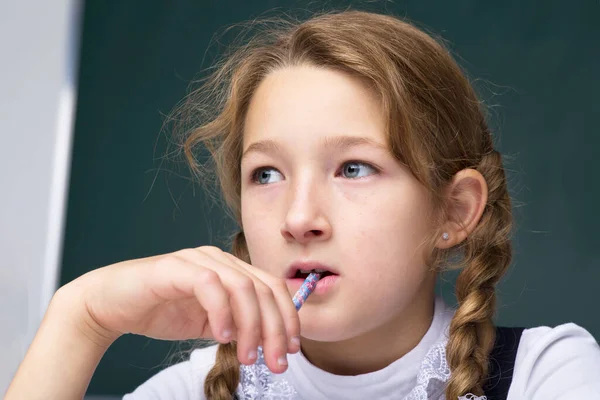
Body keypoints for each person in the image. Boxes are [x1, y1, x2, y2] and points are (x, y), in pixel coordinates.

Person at [6, 9, 600, 400]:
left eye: (354, 168)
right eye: (267, 174)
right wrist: (81, 319)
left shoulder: (547, 375)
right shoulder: (188, 391)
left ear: (453, 211)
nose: (297, 218)